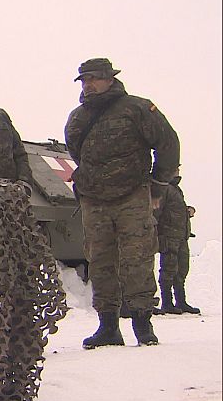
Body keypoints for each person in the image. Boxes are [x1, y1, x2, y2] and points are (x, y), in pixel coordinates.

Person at [64, 58, 179, 349]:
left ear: (110, 79)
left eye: (94, 79)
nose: (89, 85)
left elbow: (167, 144)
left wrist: (158, 184)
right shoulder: (78, 117)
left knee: (137, 257)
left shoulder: (138, 108)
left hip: (132, 195)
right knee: (100, 260)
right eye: (84, 80)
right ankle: (108, 326)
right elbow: (78, 153)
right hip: (94, 200)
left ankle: (143, 323)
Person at [153, 168, 201, 315]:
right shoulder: (164, 188)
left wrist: (186, 211)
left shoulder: (175, 189)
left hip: (181, 236)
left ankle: (181, 301)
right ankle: (167, 302)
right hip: (169, 237)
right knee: (169, 269)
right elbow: (157, 212)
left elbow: (172, 210)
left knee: (181, 270)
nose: (177, 170)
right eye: (174, 168)